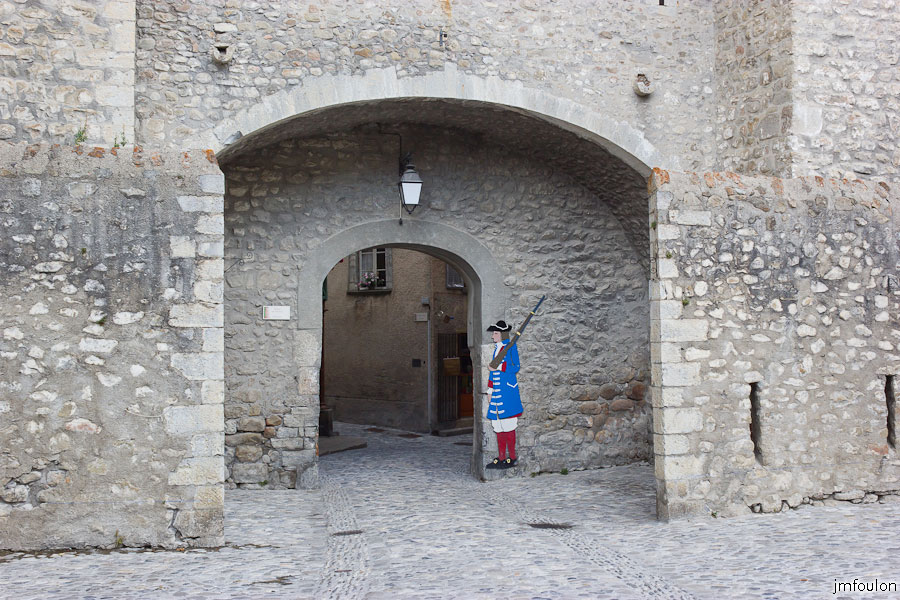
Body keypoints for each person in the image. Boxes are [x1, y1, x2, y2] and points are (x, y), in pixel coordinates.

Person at [485, 320, 522, 469]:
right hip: (497, 393)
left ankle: (511, 457)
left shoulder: (511, 348)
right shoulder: (497, 349)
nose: (493, 336)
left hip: (507, 392)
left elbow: (516, 366)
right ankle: (501, 457)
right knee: (499, 426)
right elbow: (492, 373)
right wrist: (490, 389)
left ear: (501, 334)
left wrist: (500, 365)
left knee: (508, 425)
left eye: (495, 333)